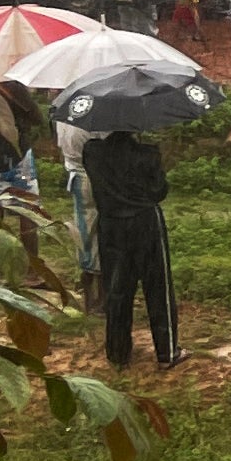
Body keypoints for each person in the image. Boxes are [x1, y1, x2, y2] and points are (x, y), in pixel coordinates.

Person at [84, 126, 176, 369]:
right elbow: (159, 191)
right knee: (158, 287)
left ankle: (117, 353)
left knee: (116, 288)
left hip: (111, 223)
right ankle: (167, 353)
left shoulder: (92, 151)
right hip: (146, 222)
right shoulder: (147, 154)